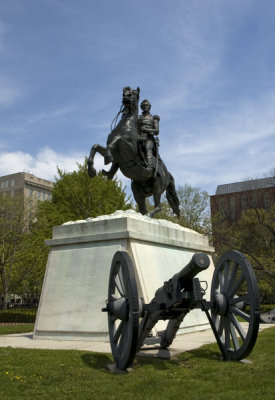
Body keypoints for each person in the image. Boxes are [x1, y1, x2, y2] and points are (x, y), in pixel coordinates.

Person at [138, 99, 160, 169]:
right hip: (139, 138)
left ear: (149, 107)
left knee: (147, 148)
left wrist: (146, 130)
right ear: (141, 107)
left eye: (146, 105)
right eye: (143, 105)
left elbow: (156, 131)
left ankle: (149, 166)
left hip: (149, 138)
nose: (145, 106)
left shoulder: (154, 118)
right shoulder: (138, 118)